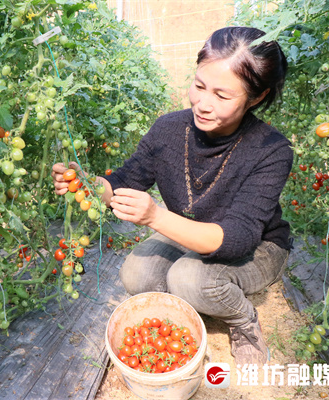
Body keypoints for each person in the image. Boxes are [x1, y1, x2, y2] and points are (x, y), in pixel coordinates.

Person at [51, 26, 292, 366]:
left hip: (258, 246)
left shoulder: (272, 149)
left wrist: (156, 217)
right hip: (189, 231)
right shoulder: (169, 129)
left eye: (222, 96)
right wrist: (87, 184)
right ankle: (189, 311)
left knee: (189, 279)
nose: (203, 104)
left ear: (257, 97)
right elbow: (124, 180)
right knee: (137, 275)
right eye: (198, 86)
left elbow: (237, 239)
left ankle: (242, 320)